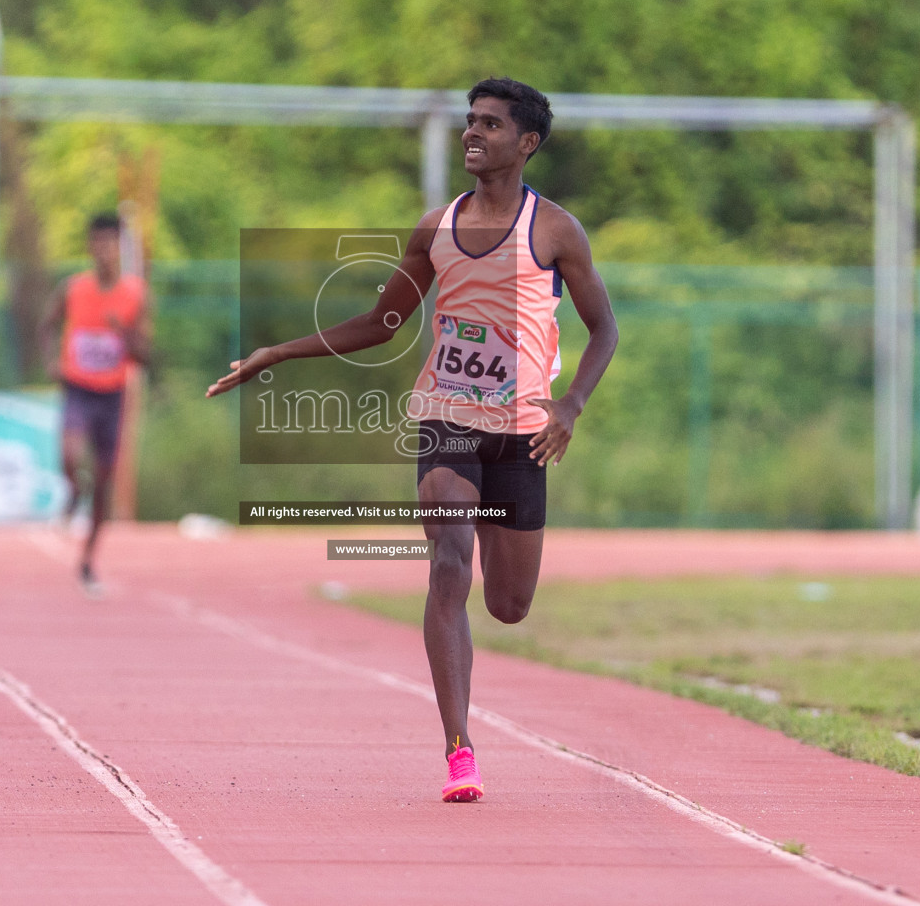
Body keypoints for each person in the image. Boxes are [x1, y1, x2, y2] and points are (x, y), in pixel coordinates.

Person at [207, 77, 619, 801]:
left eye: (490, 124)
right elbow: (380, 323)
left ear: (526, 143)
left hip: (522, 433)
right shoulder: (435, 228)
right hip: (447, 418)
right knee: (449, 562)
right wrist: (278, 352)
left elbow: (604, 329)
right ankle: (460, 748)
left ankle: (491, 575)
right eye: (469, 121)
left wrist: (572, 405)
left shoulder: (554, 230)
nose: (473, 133)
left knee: (510, 606)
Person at [41, 212, 150, 596]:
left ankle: (88, 558)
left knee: (105, 478)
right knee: (69, 454)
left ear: (121, 248)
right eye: (97, 243)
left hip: (112, 394)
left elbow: (147, 355)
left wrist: (125, 334)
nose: (104, 252)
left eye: (111, 244)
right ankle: (72, 489)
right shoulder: (73, 289)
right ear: (90, 246)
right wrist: (50, 358)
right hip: (78, 387)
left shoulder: (135, 294)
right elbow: (47, 324)